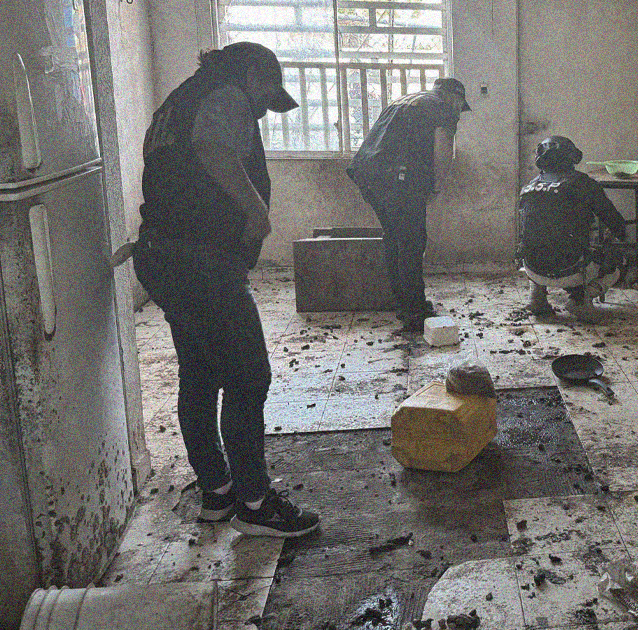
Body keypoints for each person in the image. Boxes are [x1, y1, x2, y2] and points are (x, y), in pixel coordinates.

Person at [131, 42, 319, 537]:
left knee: (199, 372)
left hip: (162, 255)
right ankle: (255, 503)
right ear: (252, 74)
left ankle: (217, 491)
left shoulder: (178, 100)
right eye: (266, 96)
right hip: (202, 262)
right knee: (248, 376)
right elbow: (213, 148)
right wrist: (256, 209)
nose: (263, 111)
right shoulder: (228, 94)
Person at [347, 77, 471, 332]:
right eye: (461, 105)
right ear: (455, 97)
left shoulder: (405, 100)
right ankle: (414, 311)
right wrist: (436, 188)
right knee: (411, 242)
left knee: (395, 238)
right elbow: (443, 151)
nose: (460, 111)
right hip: (398, 180)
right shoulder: (444, 109)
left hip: (368, 174)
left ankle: (402, 303)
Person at [518, 136, 628, 323]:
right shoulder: (585, 183)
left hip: (531, 268)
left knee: (538, 240)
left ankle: (537, 298)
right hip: (571, 270)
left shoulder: (529, 186)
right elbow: (616, 223)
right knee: (617, 256)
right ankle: (580, 300)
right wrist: (616, 238)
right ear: (572, 158)